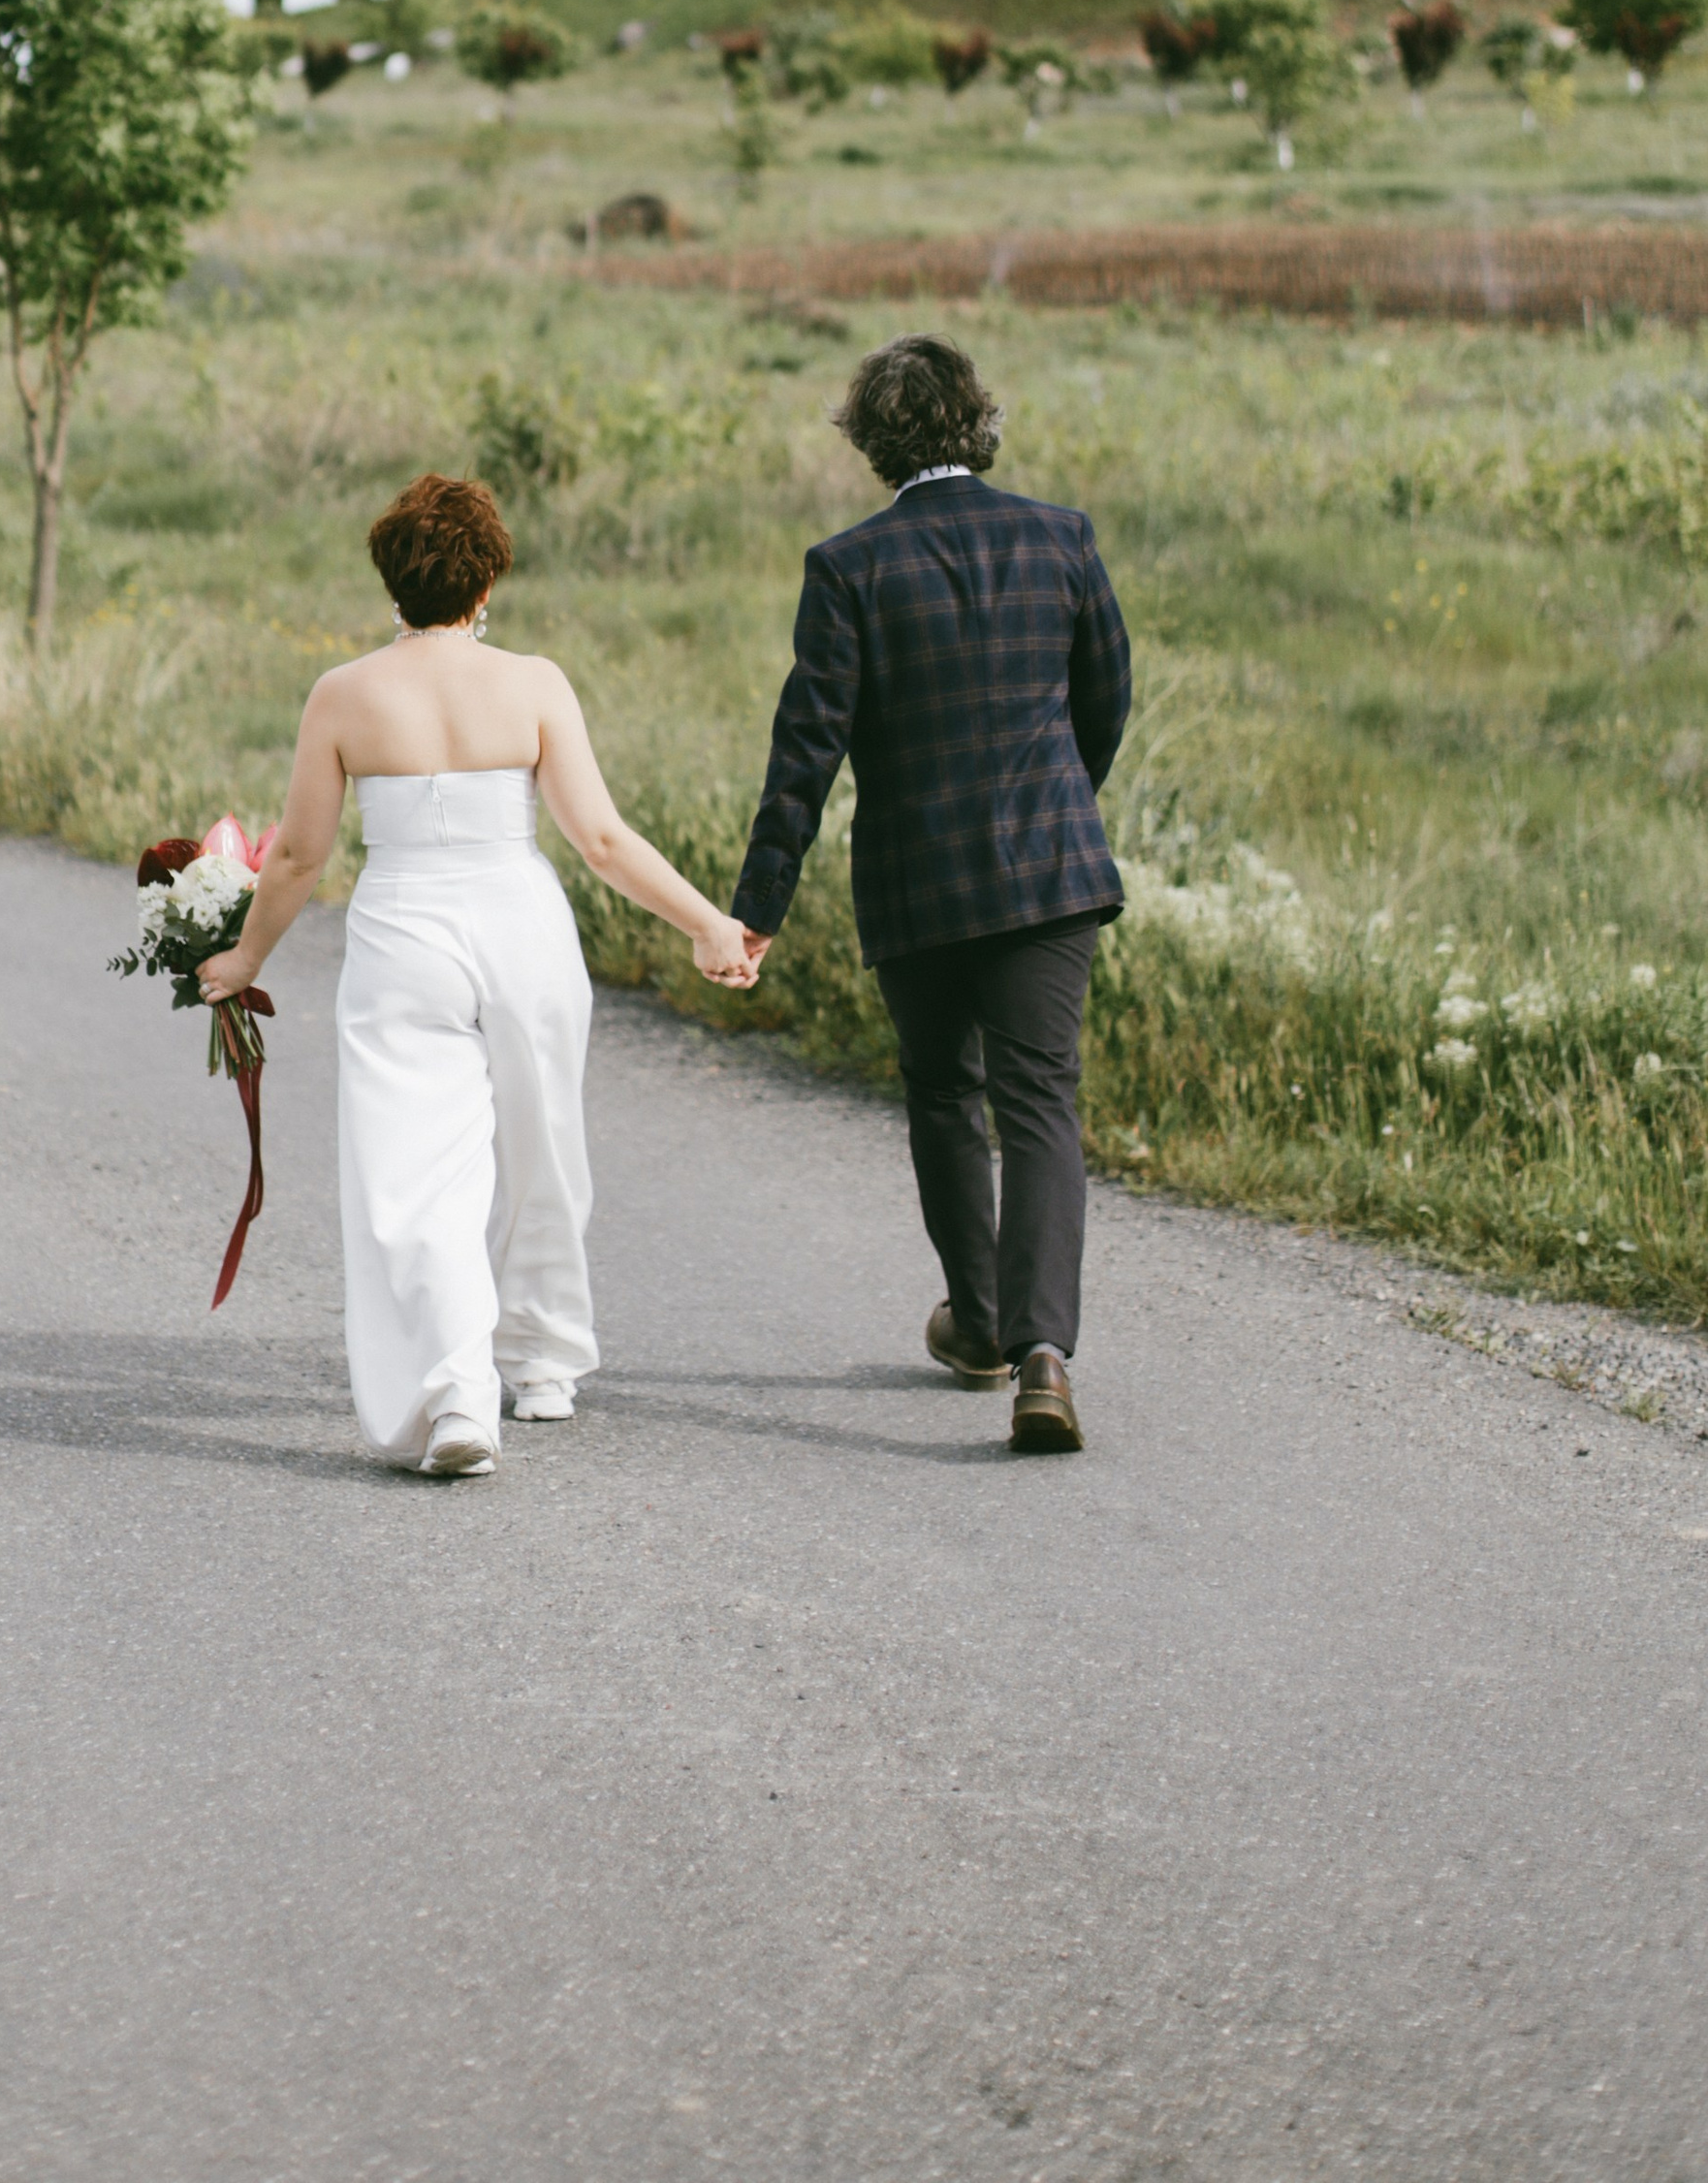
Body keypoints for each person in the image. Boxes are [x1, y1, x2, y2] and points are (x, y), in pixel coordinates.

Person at [197, 471, 757, 1477]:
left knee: (416, 1174)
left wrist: (243, 958)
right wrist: (709, 923)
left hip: (403, 932)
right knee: (543, 1143)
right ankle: (542, 1367)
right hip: (520, 924)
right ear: (486, 578)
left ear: (390, 582)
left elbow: (296, 858)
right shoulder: (534, 684)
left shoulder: (344, 694)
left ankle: (456, 1397)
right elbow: (598, 838)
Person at [731, 333, 1131, 1454]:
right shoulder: (1061, 537)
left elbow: (803, 750)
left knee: (945, 1096)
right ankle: (1043, 1355)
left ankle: (983, 1326)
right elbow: (1106, 696)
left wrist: (758, 905)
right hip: (1049, 872)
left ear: (869, 436)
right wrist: (1057, 803)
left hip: (915, 882)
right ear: (977, 419)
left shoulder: (848, 567)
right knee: (1041, 1100)